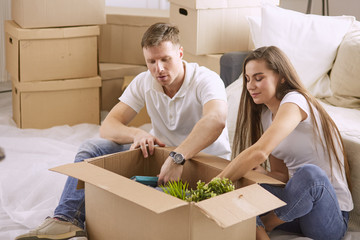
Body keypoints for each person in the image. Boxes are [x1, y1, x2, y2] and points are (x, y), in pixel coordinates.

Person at [16, 22, 231, 240]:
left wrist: (177, 158)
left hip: (203, 164)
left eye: (165, 59)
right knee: (92, 148)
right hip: (162, 159)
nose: (159, 69)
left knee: (149, 200)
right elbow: (109, 125)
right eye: (151, 61)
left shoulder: (206, 79)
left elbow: (216, 120)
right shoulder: (145, 81)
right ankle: (67, 219)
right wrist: (137, 134)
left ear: (180, 54)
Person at [216, 46, 353, 240]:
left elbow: (260, 152)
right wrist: (263, 174)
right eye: (247, 79)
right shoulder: (266, 116)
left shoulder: (296, 101)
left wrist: (215, 184)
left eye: (259, 78)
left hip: (328, 217)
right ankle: (262, 233)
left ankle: (266, 225)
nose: (250, 86)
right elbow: (281, 175)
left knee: (310, 174)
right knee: (241, 188)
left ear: (281, 77)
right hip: (296, 211)